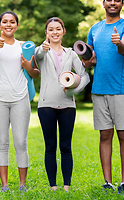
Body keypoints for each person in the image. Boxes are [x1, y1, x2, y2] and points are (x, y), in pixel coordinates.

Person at [82, 0, 124, 197]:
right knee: (105, 135)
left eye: (117, 0)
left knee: (123, 134)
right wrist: (87, 60)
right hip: (99, 89)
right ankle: (108, 182)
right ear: (103, 2)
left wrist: (118, 44)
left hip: (121, 88)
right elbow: (89, 59)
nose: (113, 3)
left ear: (122, 3)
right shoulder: (94, 29)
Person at [0, 11, 40, 192]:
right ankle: (5, 185)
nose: (8, 24)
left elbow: (35, 74)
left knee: (20, 142)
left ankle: (23, 185)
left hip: (20, 98)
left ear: (17, 26)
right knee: (2, 142)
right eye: (4, 22)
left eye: (12, 22)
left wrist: (28, 66)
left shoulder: (24, 46)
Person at [35, 17, 90, 192]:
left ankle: (66, 186)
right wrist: (43, 49)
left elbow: (85, 76)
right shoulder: (41, 50)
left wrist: (73, 91)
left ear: (63, 31)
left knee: (66, 147)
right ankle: (53, 186)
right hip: (46, 105)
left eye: (58, 29)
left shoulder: (71, 54)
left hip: (68, 106)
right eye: (51, 29)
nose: (55, 32)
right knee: (50, 146)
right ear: (46, 33)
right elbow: (38, 56)